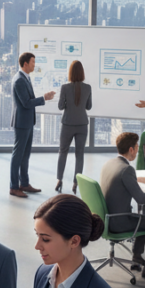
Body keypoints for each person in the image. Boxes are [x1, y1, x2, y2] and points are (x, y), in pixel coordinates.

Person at [99, 132, 145, 280]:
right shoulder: (126, 169)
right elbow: (141, 199)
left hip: (107, 218)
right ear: (131, 149)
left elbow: (119, 179)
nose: (137, 150)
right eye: (137, 147)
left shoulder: (111, 163)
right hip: (120, 222)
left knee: (142, 218)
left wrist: (134, 179)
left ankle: (137, 257)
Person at [10, 52, 56, 198]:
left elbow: (28, 101)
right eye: (33, 62)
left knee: (25, 155)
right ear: (25, 64)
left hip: (28, 121)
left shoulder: (26, 78)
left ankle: (24, 183)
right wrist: (44, 98)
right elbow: (26, 103)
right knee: (18, 155)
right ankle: (14, 187)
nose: (34, 65)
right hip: (22, 123)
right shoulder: (19, 80)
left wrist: (43, 98)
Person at [56, 60, 92, 194]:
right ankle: (76, 183)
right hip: (82, 124)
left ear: (70, 73)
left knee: (63, 152)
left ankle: (59, 180)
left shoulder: (65, 87)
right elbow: (89, 106)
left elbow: (60, 106)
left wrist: (67, 103)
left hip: (68, 124)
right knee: (80, 155)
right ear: (82, 73)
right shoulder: (88, 88)